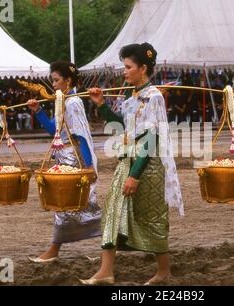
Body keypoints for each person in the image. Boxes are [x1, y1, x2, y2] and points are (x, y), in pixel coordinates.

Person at [81, 43, 184, 285]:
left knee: (152, 216)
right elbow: (122, 125)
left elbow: (151, 137)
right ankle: (106, 271)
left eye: (128, 67)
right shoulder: (130, 94)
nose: (124, 72)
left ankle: (163, 271)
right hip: (126, 160)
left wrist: (135, 175)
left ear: (143, 69)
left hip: (147, 166)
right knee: (113, 212)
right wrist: (100, 104)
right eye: (124, 67)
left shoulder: (154, 97)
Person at [27, 61, 101, 262]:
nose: (54, 84)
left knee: (66, 204)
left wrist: (87, 165)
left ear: (68, 80)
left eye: (57, 80)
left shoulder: (74, 102)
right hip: (64, 157)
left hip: (74, 159)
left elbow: (81, 135)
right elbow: (55, 131)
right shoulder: (63, 101)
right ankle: (110, 245)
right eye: (52, 80)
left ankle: (54, 249)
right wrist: (39, 110)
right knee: (75, 205)